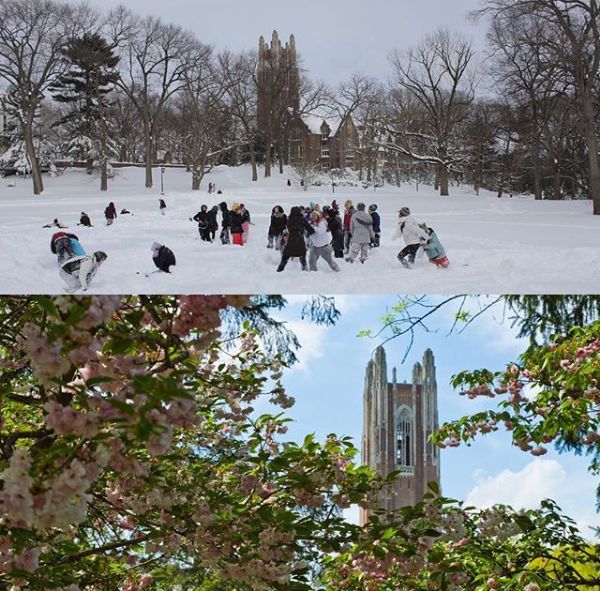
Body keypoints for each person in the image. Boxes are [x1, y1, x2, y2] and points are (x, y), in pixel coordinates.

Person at [277, 206, 314, 272]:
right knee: (302, 257)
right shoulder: (302, 219)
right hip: (300, 239)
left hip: (291, 240)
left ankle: (279, 270)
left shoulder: (289, 220)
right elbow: (311, 230)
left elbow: (286, 228)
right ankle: (305, 271)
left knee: (285, 256)